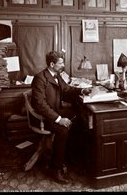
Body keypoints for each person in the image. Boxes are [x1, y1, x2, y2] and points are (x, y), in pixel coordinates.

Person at [31, 50, 92, 184]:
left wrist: (82, 90)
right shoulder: (40, 78)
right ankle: (55, 169)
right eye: (61, 63)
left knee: (80, 119)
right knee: (63, 130)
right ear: (52, 64)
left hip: (54, 111)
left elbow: (67, 89)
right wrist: (59, 119)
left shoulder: (56, 75)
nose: (63, 65)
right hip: (44, 117)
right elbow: (40, 105)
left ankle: (69, 156)